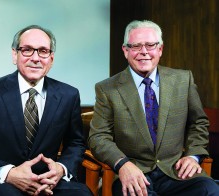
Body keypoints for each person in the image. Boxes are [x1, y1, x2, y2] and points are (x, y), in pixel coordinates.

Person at [0, 25, 92, 196]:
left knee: (82, 193)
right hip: (4, 184)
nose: (35, 58)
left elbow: (75, 143)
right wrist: (8, 173)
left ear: (51, 59)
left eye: (43, 51)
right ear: (14, 55)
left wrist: (61, 169)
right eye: (27, 50)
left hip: (49, 182)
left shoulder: (69, 95)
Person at [88, 20, 219, 196]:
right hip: (134, 174)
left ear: (160, 49)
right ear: (125, 51)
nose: (144, 52)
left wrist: (193, 155)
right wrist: (123, 164)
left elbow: (198, 123)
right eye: (136, 46)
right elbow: (99, 137)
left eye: (150, 45)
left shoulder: (183, 80)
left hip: (177, 172)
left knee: (210, 190)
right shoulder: (107, 89)